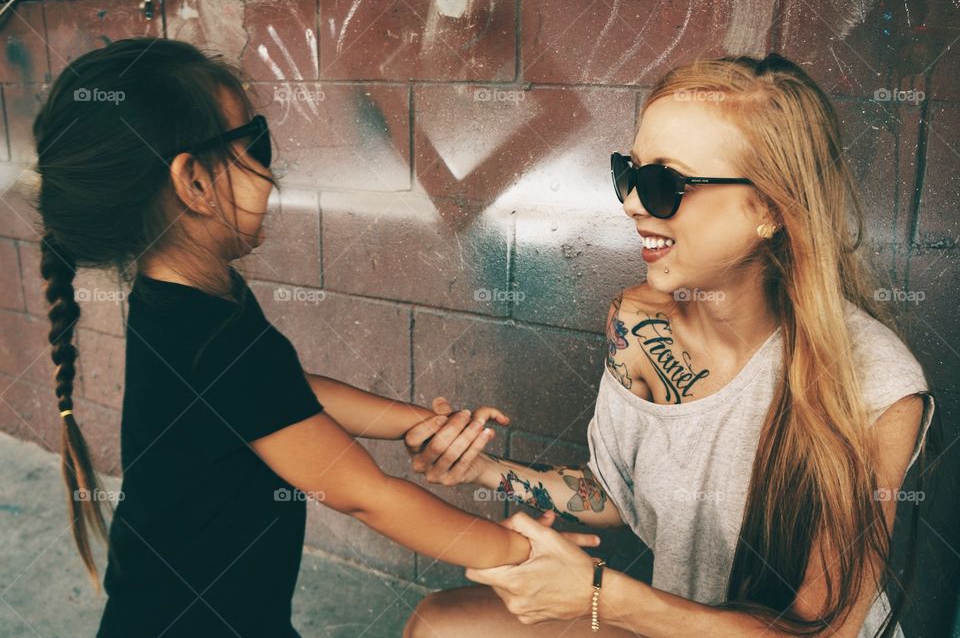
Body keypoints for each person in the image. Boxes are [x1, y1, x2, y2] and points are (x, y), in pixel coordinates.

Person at [32, 37, 601, 638]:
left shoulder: (182, 298)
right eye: (253, 144)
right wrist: (527, 558)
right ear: (195, 182)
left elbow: (289, 392)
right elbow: (367, 495)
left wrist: (414, 423)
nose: (270, 172)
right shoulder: (206, 340)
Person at [403, 53, 939, 638]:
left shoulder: (875, 384)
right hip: (676, 623)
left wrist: (600, 597)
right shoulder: (634, 324)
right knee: (440, 625)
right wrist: (485, 470)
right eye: (628, 175)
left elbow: (823, 634)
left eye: (664, 183)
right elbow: (612, 493)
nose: (632, 204)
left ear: (768, 209)